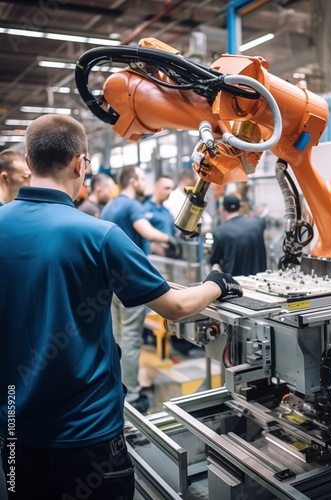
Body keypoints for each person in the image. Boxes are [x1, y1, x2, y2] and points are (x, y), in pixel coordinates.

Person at [0, 114, 242, 500]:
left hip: (14, 432)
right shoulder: (97, 235)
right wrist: (216, 284)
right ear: (81, 163)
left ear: (28, 163)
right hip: (87, 435)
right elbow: (176, 306)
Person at [101, 165, 183, 411]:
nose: (145, 183)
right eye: (142, 178)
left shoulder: (110, 205)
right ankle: (133, 395)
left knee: (117, 337)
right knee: (133, 340)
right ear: (133, 181)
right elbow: (146, 231)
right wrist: (171, 239)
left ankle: (117, 388)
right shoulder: (132, 204)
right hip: (129, 282)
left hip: (110, 283)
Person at [210, 194, 267, 276]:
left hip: (235, 284)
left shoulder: (220, 232)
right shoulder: (259, 223)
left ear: (222, 209)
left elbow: (214, 261)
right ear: (240, 208)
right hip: (260, 281)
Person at [165, 168, 213, 234]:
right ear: (187, 181)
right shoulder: (173, 198)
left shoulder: (189, 197)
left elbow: (207, 219)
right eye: (195, 183)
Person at [143, 175, 177, 256]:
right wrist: (151, 246)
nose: (170, 192)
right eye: (167, 188)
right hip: (153, 258)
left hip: (167, 256)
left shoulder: (166, 211)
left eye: (172, 189)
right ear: (156, 188)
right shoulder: (145, 209)